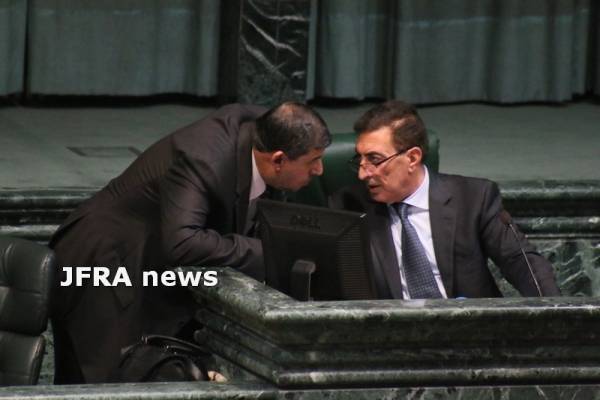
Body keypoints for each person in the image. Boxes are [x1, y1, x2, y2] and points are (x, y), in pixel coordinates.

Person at [49, 102, 331, 384]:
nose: (319, 170)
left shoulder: (268, 131)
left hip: (150, 263)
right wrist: (267, 252)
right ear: (278, 160)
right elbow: (183, 242)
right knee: (105, 383)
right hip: (102, 261)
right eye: (313, 161)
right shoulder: (205, 158)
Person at [330, 100, 560, 300]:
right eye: (360, 160)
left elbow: (520, 261)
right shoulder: (348, 208)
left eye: (374, 160)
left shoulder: (473, 198)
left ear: (412, 158)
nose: (363, 173)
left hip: (470, 328)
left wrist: (556, 311)